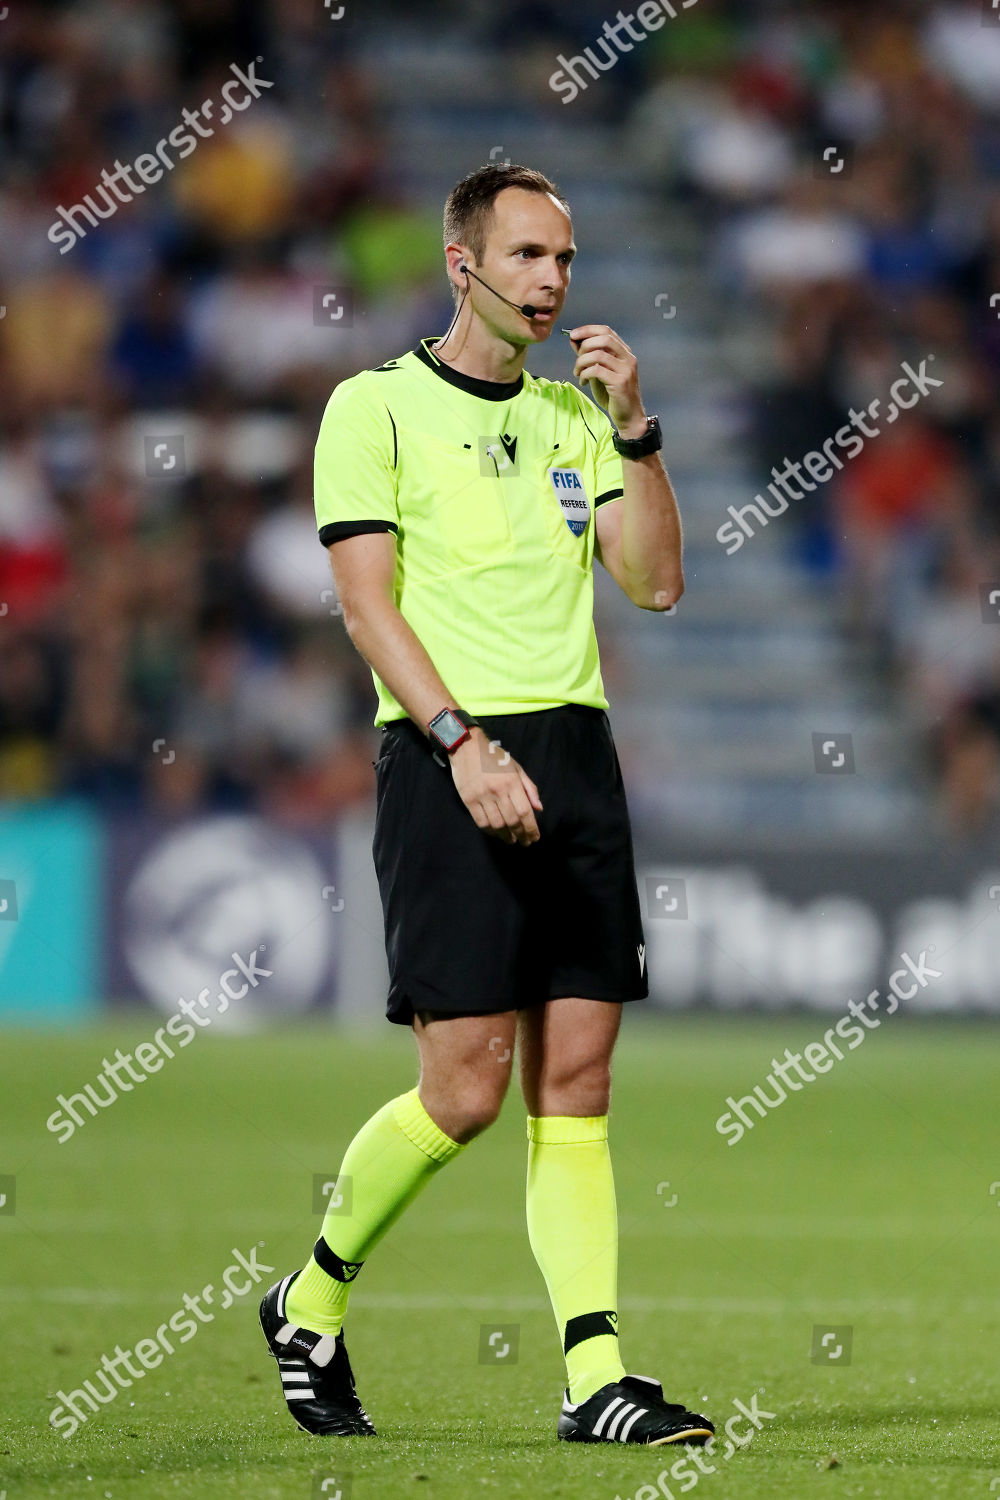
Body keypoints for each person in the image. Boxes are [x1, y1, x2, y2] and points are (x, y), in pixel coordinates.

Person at [258, 162, 714, 1448]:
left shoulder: (578, 420)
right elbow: (365, 603)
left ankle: (594, 1380)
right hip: (444, 755)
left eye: (564, 258)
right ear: (463, 265)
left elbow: (658, 584)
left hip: (574, 757)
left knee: (576, 1082)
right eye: (527, 257)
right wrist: (459, 743)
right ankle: (311, 1298)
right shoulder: (374, 408)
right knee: (463, 1091)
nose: (553, 281)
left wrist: (637, 425)